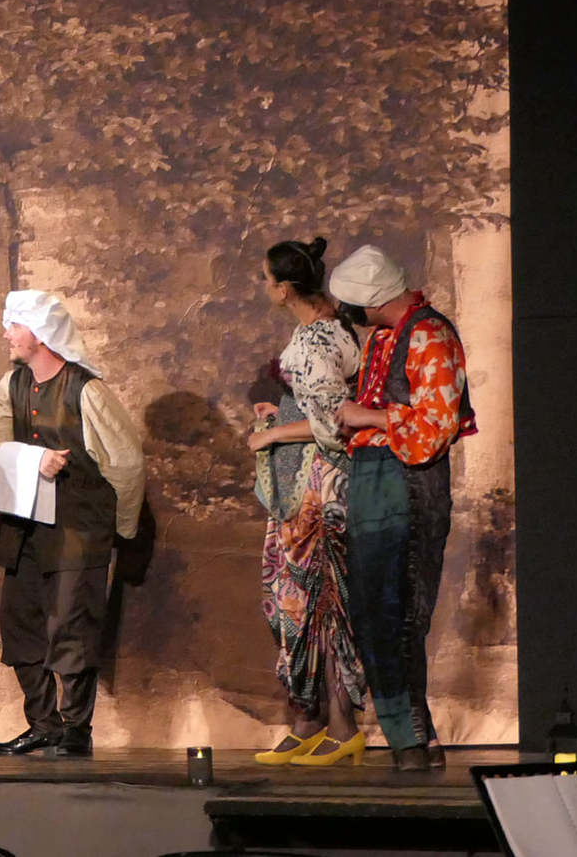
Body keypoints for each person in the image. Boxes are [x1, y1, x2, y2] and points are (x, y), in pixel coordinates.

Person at [0, 290, 144, 758]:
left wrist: (121, 531)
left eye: (14, 326)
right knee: (20, 624)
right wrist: (32, 460)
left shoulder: (86, 391)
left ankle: (75, 727)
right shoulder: (10, 386)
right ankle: (43, 723)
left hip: (78, 529)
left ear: (40, 333)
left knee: (72, 626)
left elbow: (126, 464)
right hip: (24, 528)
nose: (7, 335)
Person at [331, 245, 477, 772]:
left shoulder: (429, 334)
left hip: (408, 483)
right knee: (375, 613)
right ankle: (416, 734)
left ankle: (409, 738)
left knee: (399, 614)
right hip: (374, 478)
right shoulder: (385, 337)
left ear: (372, 300)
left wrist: (367, 416)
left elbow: (435, 428)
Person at [246, 238, 370, 767]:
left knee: (321, 602)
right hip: (312, 483)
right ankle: (309, 721)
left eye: (266, 279)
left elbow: (334, 424)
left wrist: (274, 434)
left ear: (283, 289)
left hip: (320, 488)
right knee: (299, 601)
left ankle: (341, 728)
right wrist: (280, 412)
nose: (264, 287)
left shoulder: (318, 339)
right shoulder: (325, 328)